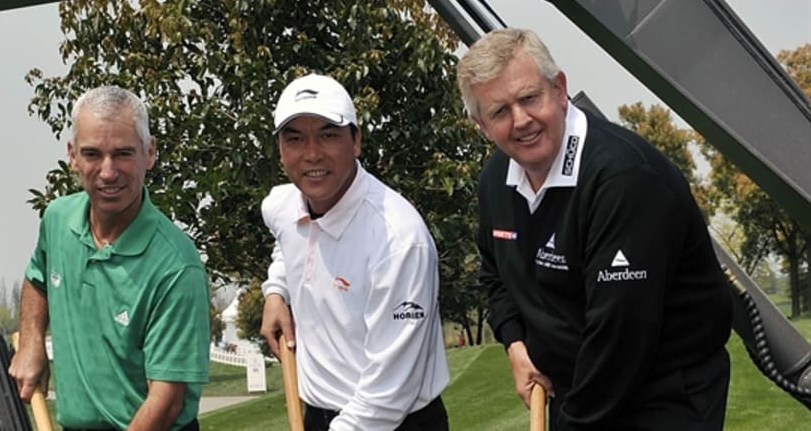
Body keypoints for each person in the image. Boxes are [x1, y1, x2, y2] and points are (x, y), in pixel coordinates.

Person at [456, 28, 734, 430]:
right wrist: (516, 345)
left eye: (530, 98)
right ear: (481, 125)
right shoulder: (495, 180)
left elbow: (620, 338)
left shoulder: (623, 178)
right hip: (578, 388)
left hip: (663, 395)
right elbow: (494, 275)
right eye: (499, 111)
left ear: (560, 89)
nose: (521, 121)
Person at [9, 86, 210, 431]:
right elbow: (38, 279)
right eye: (92, 154)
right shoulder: (57, 220)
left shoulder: (176, 266)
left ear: (149, 153)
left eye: (123, 154)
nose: (107, 171)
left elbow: (165, 401)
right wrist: (31, 341)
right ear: (72, 155)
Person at [259, 73, 450, 431]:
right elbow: (287, 241)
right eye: (295, 138)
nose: (312, 153)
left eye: (329, 134)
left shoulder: (398, 240)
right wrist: (276, 291)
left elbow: (389, 392)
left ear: (356, 140)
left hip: (397, 420)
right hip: (319, 414)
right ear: (280, 149)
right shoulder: (280, 205)